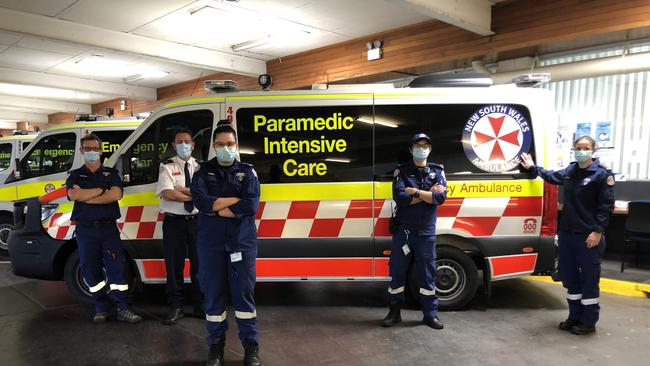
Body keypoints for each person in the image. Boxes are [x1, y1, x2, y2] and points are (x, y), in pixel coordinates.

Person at [520, 135, 614, 335]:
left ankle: (588, 322)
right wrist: (532, 168)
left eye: (586, 147)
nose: (582, 150)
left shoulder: (601, 175)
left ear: (593, 150)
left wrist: (597, 231)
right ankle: (574, 316)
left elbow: (605, 207)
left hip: (588, 236)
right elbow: (552, 176)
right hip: (567, 235)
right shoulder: (571, 171)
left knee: (589, 279)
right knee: (569, 277)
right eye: (579, 147)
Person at [191, 123, 262, 366]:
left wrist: (217, 207)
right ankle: (215, 346)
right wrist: (232, 202)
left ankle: (250, 347)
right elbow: (201, 203)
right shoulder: (202, 172)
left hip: (241, 243)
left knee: (244, 296)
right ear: (214, 146)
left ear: (237, 145)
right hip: (211, 244)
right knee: (213, 297)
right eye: (221, 144)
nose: (225, 148)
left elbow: (250, 206)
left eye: (230, 144)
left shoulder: (248, 172)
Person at [66, 133, 142, 324]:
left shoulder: (111, 174)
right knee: (90, 269)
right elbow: (73, 194)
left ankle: (123, 308)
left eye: (95, 148)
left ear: (100, 150)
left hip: (108, 230)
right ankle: (101, 307)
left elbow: (115, 195)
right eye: (88, 148)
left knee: (117, 268)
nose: (92, 152)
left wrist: (87, 196)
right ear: (81, 151)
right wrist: (101, 190)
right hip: (85, 231)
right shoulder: (75, 175)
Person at [382, 133, 448, 330]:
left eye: (424, 145)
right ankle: (394, 313)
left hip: (426, 231)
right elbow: (401, 198)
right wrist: (428, 194)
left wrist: (416, 192)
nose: (421, 148)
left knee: (427, 273)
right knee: (397, 272)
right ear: (411, 149)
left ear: (430, 148)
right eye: (417, 145)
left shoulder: (438, 171)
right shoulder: (401, 172)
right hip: (405, 231)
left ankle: (430, 315)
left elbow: (440, 199)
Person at [155, 128, 203, 325]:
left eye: (187, 141)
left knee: (199, 265)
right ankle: (176, 306)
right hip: (174, 222)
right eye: (179, 142)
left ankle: (200, 305)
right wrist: (193, 194)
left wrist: (180, 189)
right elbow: (167, 193)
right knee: (174, 266)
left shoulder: (201, 167)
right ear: (173, 145)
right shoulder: (166, 166)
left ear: (193, 144)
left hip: (197, 223)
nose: (183, 145)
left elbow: (204, 194)